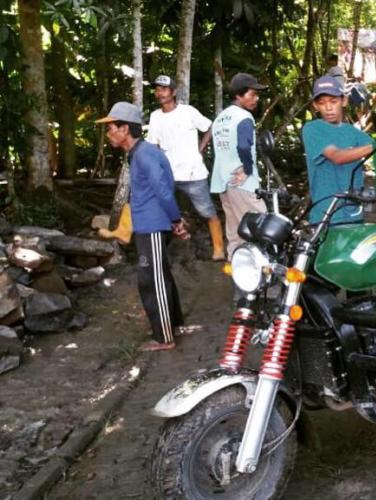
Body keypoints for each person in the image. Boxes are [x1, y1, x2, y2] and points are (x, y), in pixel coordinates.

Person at [95, 102, 188, 352]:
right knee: (160, 275)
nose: (109, 133)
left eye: (111, 127)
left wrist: (176, 220)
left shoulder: (145, 154)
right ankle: (173, 324)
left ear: (125, 129)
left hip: (153, 226)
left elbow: (163, 190)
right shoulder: (139, 153)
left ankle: (164, 338)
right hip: (150, 224)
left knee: (151, 280)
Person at [146, 75, 226, 261]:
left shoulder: (188, 111)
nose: (160, 93)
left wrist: (200, 148)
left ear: (173, 92)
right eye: (157, 89)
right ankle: (166, 250)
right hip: (168, 175)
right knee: (163, 211)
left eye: (164, 89)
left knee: (207, 212)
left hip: (193, 173)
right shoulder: (155, 116)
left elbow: (210, 126)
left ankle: (219, 250)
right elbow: (153, 145)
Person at [210, 73, 268, 260]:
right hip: (242, 183)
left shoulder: (221, 118)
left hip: (223, 182)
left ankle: (237, 272)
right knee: (261, 225)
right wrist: (248, 169)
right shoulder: (244, 117)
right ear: (238, 95)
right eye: (252, 94)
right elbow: (243, 145)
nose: (256, 99)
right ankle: (262, 275)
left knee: (235, 231)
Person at [301, 76, 374, 225]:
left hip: (354, 213)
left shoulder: (354, 133)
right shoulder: (312, 129)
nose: (328, 108)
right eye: (322, 103)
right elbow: (337, 157)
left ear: (344, 101)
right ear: (315, 106)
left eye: (333, 101)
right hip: (326, 214)